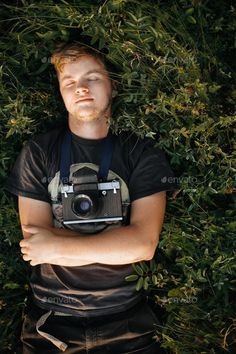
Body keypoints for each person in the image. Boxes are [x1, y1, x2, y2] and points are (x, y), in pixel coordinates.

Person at [6, 43, 177, 353]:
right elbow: (35, 247)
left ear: (112, 83)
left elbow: (144, 245)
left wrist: (57, 245)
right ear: (60, 92)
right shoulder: (38, 152)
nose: (81, 88)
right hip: (50, 321)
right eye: (69, 82)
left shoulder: (141, 153)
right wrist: (115, 245)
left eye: (93, 77)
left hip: (126, 320)